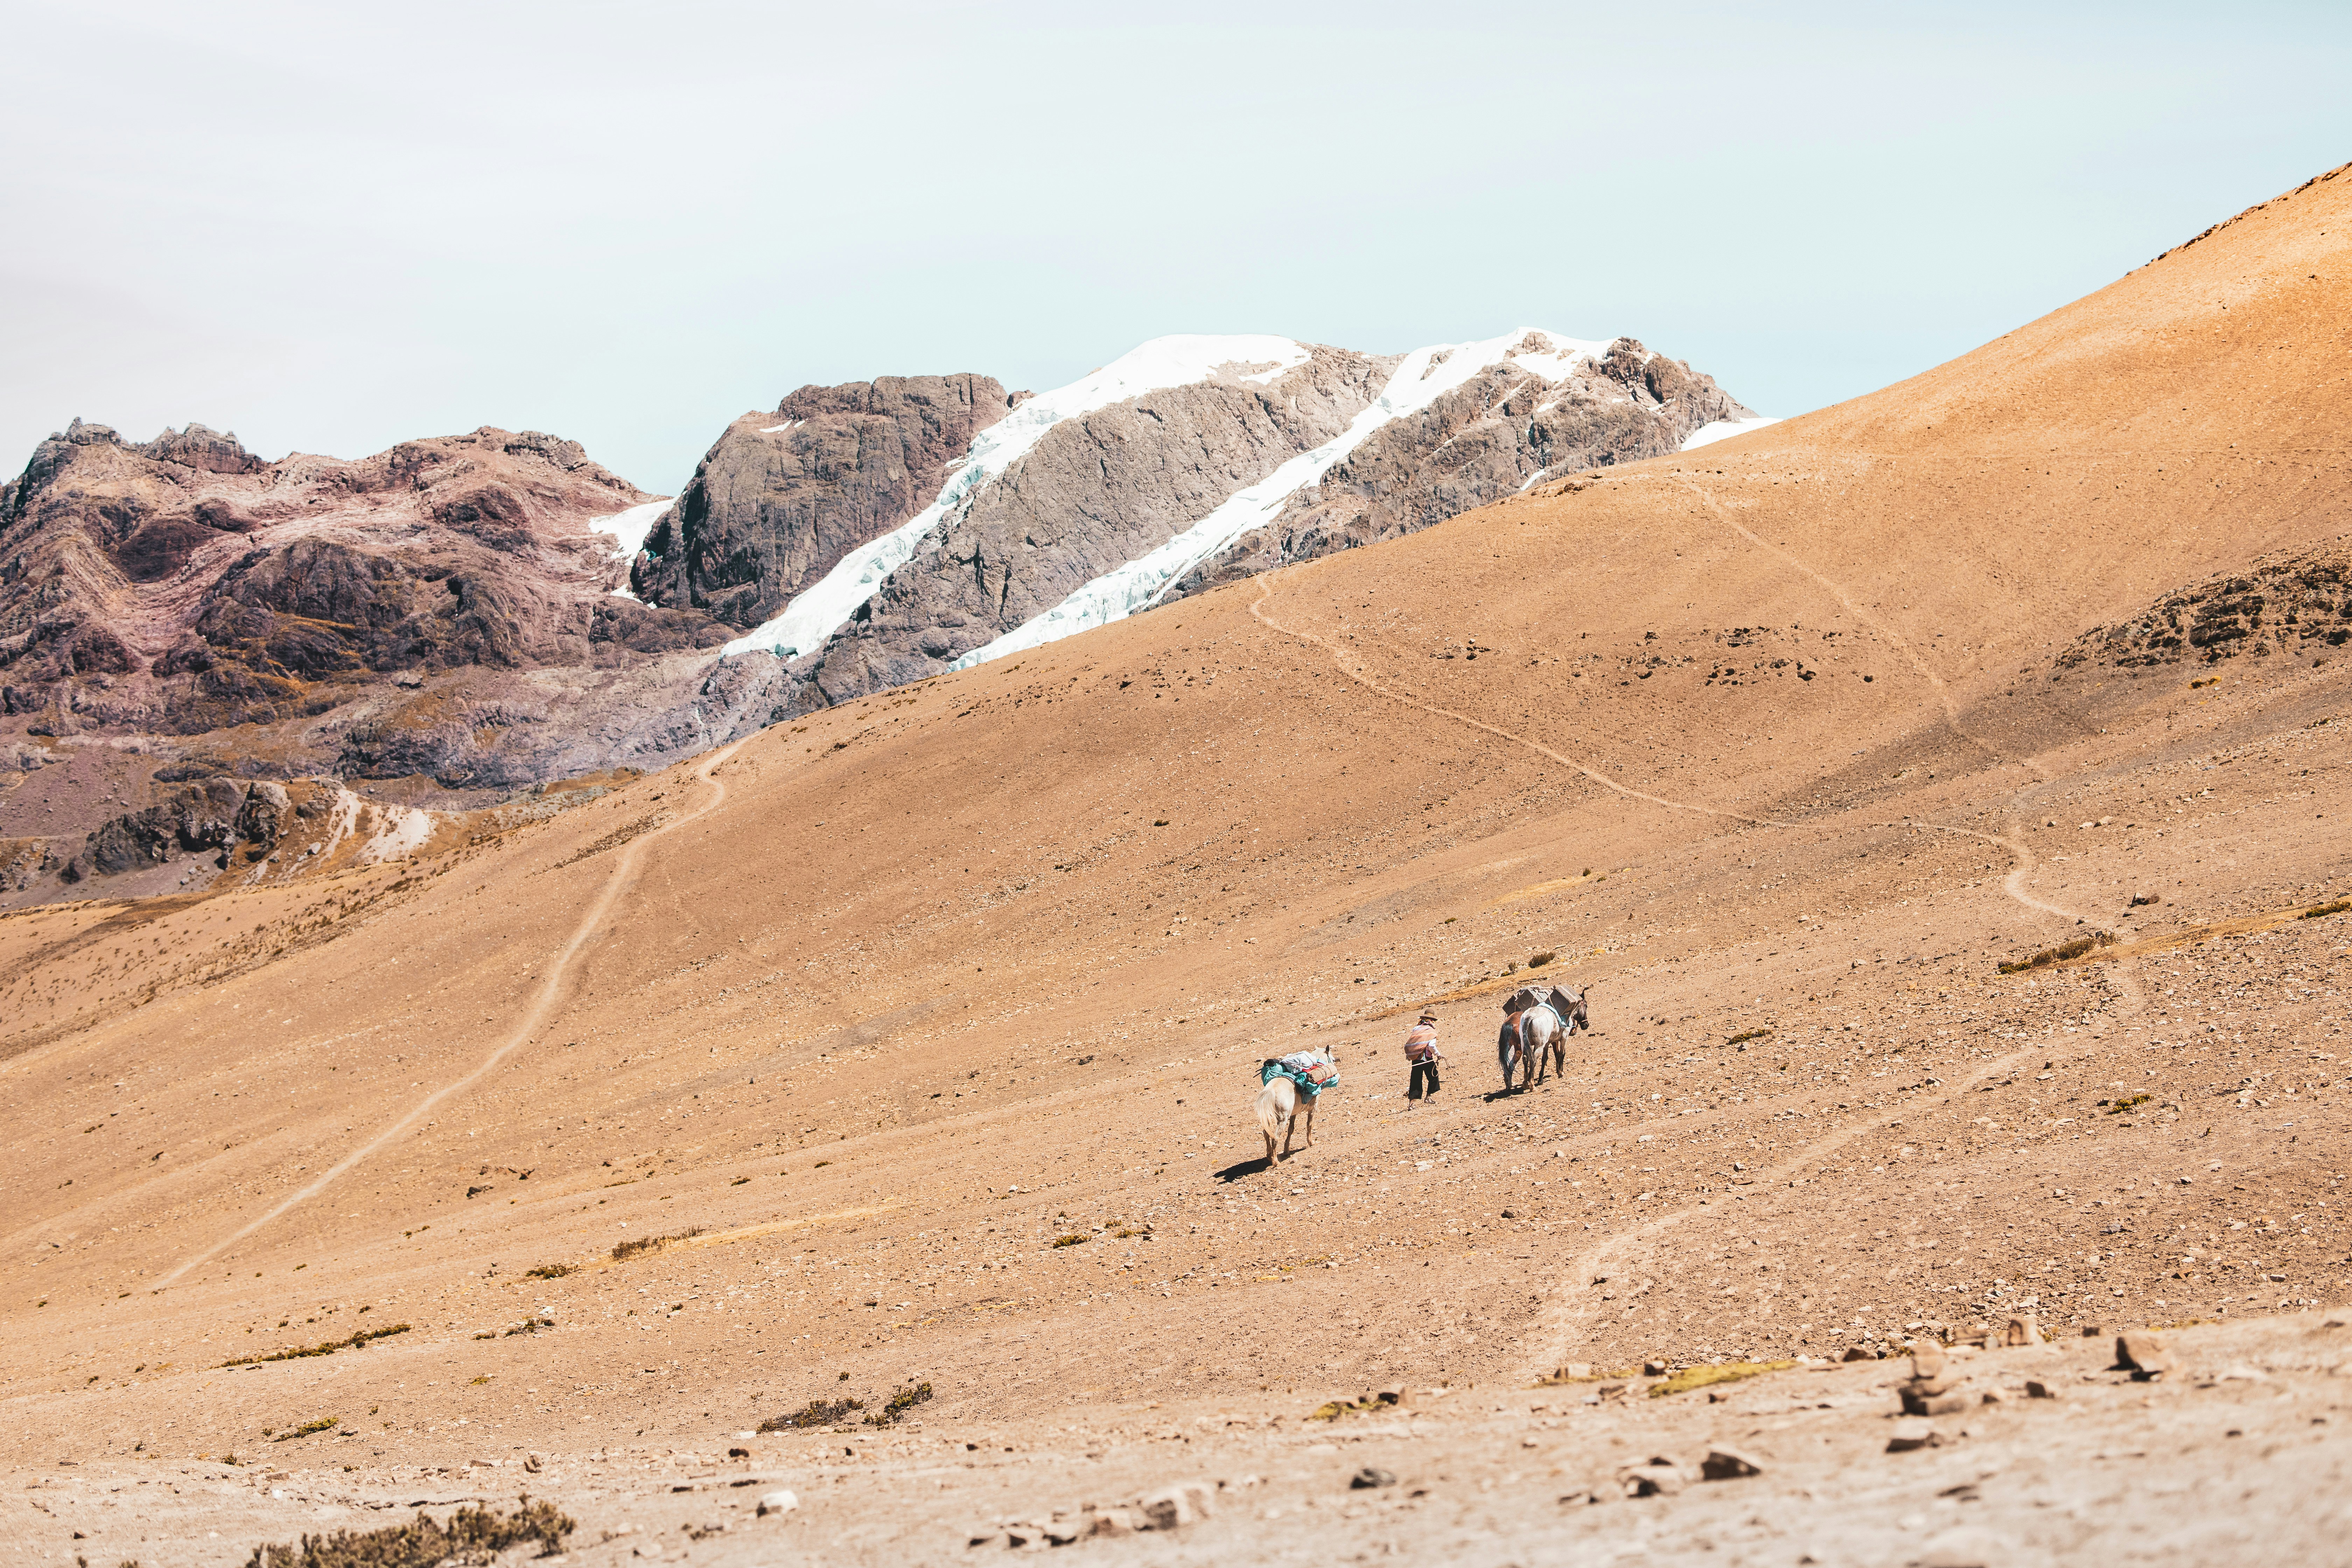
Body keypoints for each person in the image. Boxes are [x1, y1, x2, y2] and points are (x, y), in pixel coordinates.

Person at [1404, 1009, 1443, 1104]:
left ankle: (1411, 1104)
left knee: (1415, 1079)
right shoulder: (1431, 1031)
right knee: (1434, 1077)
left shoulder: (1416, 1029)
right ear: (1432, 1020)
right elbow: (1431, 1046)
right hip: (1426, 1058)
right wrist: (1438, 1055)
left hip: (1416, 1058)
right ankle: (1428, 1098)